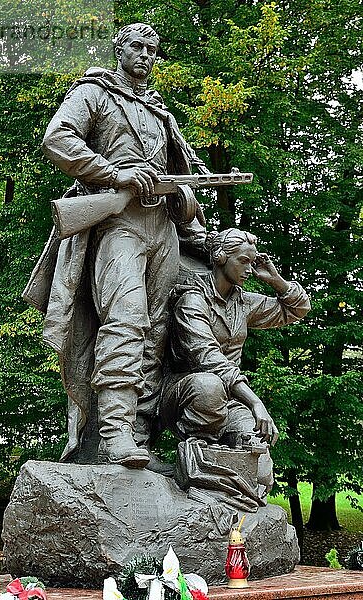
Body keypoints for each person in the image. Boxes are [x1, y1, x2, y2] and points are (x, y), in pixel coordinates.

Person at [23, 23, 208, 469]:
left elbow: (189, 175)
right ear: (118, 49)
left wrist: (185, 196)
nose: (145, 55)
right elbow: (57, 138)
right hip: (116, 223)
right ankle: (114, 434)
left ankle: (139, 435)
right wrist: (113, 172)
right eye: (137, 46)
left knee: (156, 334)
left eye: (152, 49)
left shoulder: (163, 115)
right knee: (125, 320)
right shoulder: (95, 93)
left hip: (161, 229)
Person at [161, 228, 311, 489]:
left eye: (252, 263)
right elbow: (207, 356)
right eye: (243, 261)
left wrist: (276, 280)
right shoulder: (192, 301)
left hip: (231, 401)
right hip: (187, 394)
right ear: (219, 257)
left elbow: (297, 310)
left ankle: (223, 458)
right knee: (209, 386)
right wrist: (255, 402)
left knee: (260, 472)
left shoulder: (243, 302)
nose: (249, 270)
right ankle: (200, 449)